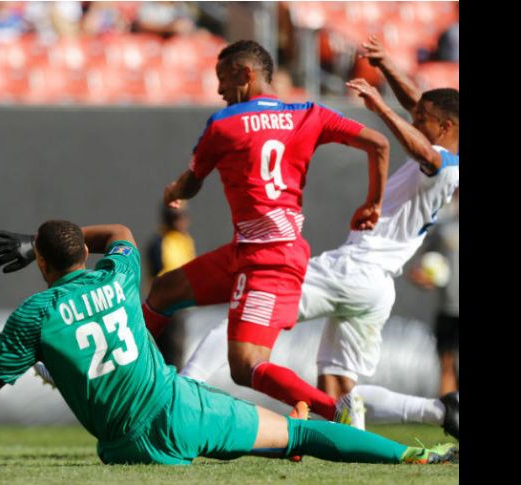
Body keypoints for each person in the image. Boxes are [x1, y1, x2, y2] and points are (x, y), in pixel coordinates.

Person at [0, 220, 456, 465]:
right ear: (80, 256)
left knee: (252, 444)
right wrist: (39, 240)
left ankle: (266, 448)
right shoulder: (117, 275)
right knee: (301, 436)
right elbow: (118, 232)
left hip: (127, 448)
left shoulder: (32, 316)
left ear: (39, 264)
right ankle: (423, 459)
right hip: (180, 408)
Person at [178, 35, 459, 439]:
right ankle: (439, 412)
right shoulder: (446, 149)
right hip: (377, 288)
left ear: (446, 127)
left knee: (240, 326)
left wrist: (379, 106)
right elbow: (422, 108)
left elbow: (423, 152)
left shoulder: (445, 164)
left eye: (423, 121)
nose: (415, 120)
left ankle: (184, 393)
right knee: (340, 390)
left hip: (353, 267)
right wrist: (385, 66)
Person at [138, 39, 390, 425]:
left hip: (269, 261)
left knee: (246, 365)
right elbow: (378, 143)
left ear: (246, 74)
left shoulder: (223, 124)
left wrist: (174, 189)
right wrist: (374, 201)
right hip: (252, 249)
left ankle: (335, 408)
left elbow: (192, 184)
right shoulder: (310, 113)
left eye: (223, 80)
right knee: (164, 291)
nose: (220, 91)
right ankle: (125, 369)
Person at [410, 189, 459, 396]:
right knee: (446, 363)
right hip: (448, 308)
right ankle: (447, 416)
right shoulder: (443, 227)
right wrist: (422, 277)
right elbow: (421, 264)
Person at [146, 203, 196, 367]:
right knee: (169, 350)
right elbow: (159, 275)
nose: (180, 221)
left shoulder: (185, 240)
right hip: (167, 305)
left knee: (178, 350)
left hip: (182, 304)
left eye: (182, 216)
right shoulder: (160, 242)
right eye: (175, 217)